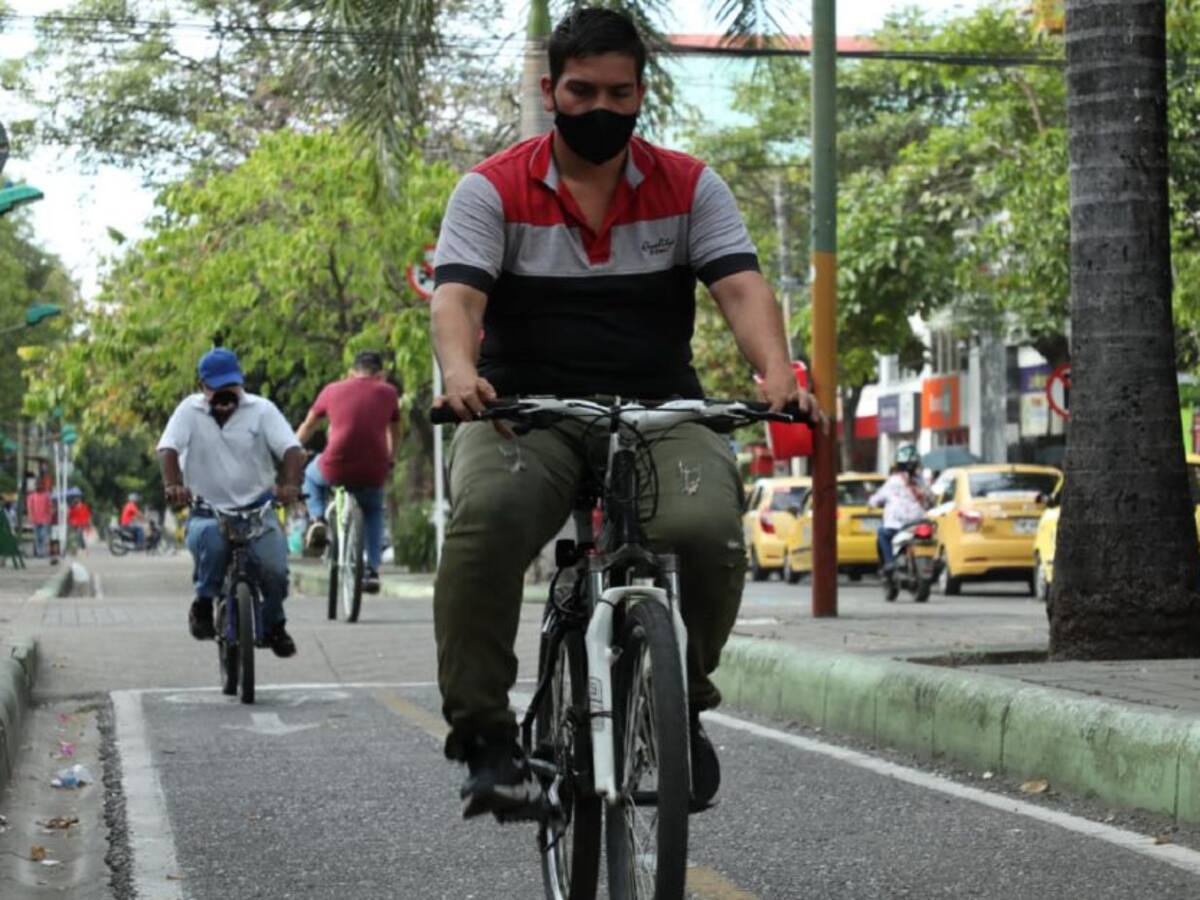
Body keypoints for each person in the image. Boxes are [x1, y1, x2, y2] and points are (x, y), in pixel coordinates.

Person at [430, 7, 816, 819]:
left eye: (620, 92)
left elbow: (742, 288)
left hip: (660, 406)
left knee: (707, 531)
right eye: (582, 92)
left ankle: (679, 699)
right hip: (522, 410)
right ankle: (487, 741)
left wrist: (777, 371)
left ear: (642, 95)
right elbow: (458, 296)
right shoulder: (491, 188)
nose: (601, 109)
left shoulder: (690, 185)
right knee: (487, 523)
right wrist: (461, 372)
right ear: (551, 90)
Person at [156, 347, 304, 658]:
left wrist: (290, 485)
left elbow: (292, 449)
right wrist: (173, 485)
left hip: (257, 509)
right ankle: (203, 603)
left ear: (241, 383)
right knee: (212, 539)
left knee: (275, 566)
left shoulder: (262, 410)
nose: (225, 398)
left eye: (231, 388)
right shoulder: (188, 411)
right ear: (203, 387)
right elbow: (167, 448)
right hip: (207, 510)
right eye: (217, 389)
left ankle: (275, 624)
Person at [294, 350, 401, 594]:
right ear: (381, 375)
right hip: (374, 468)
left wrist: (291, 451)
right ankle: (372, 570)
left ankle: (318, 519)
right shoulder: (389, 393)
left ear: (351, 373)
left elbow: (309, 425)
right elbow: (396, 433)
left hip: (335, 466)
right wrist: (391, 457)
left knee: (311, 477)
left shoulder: (332, 389)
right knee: (373, 510)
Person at [869, 444, 933, 571]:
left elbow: (875, 499)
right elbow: (931, 498)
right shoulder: (921, 481)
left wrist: (871, 504)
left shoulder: (893, 481)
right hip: (919, 524)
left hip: (896, 525)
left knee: (882, 533)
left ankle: (889, 562)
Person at [26, 483, 53, 558]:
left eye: (40, 486)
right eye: (38, 486)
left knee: (43, 535)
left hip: (44, 519)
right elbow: (29, 508)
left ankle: (42, 551)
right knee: (37, 537)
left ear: (42, 487)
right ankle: (39, 552)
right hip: (35, 519)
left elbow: (49, 507)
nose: (39, 487)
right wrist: (30, 517)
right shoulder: (31, 497)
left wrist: (50, 517)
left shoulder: (47, 496)